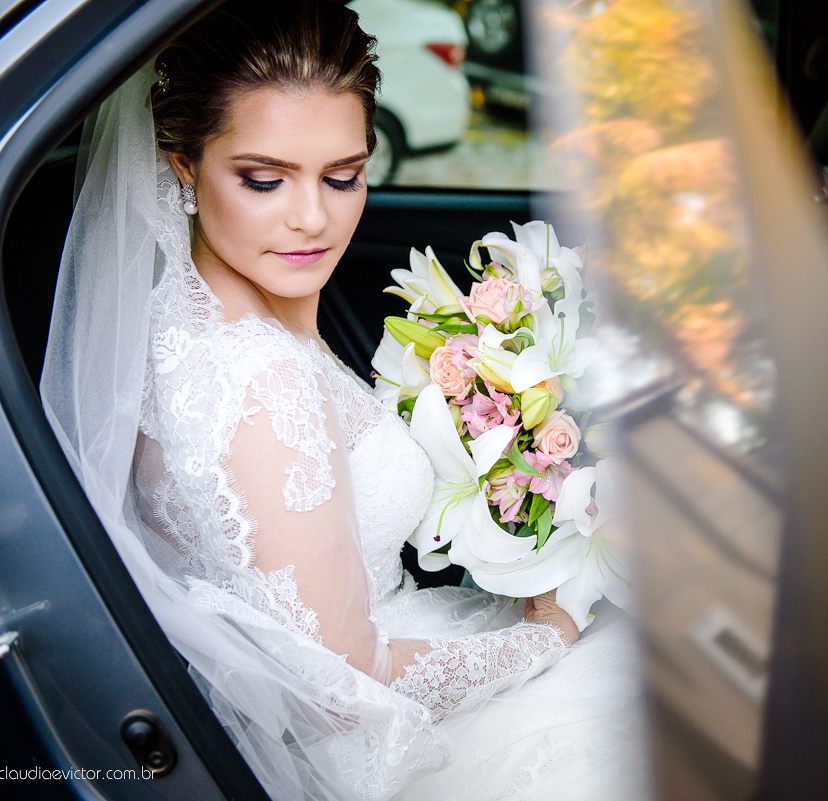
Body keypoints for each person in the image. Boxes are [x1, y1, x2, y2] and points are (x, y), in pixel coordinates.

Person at [39, 1, 646, 798]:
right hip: (377, 742)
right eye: (264, 179)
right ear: (183, 163)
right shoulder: (261, 379)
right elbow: (340, 686)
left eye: (343, 176)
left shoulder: (180, 322)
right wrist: (545, 637)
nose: (312, 218)